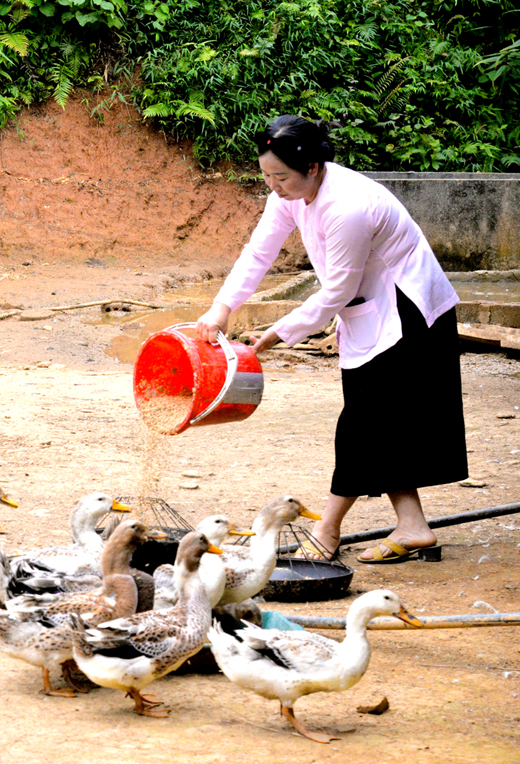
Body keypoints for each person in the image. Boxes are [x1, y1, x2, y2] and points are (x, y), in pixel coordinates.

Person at [195, 115, 467, 564]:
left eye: (280, 176)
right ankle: (414, 527)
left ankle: (327, 528)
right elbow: (259, 251)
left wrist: (282, 331)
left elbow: (338, 288)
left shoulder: (349, 205)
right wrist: (221, 308)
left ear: (314, 167)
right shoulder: (291, 194)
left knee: (363, 421)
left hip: (407, 310)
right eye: (266, 176)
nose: (274, 186)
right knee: (379, 421)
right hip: (371, 308)